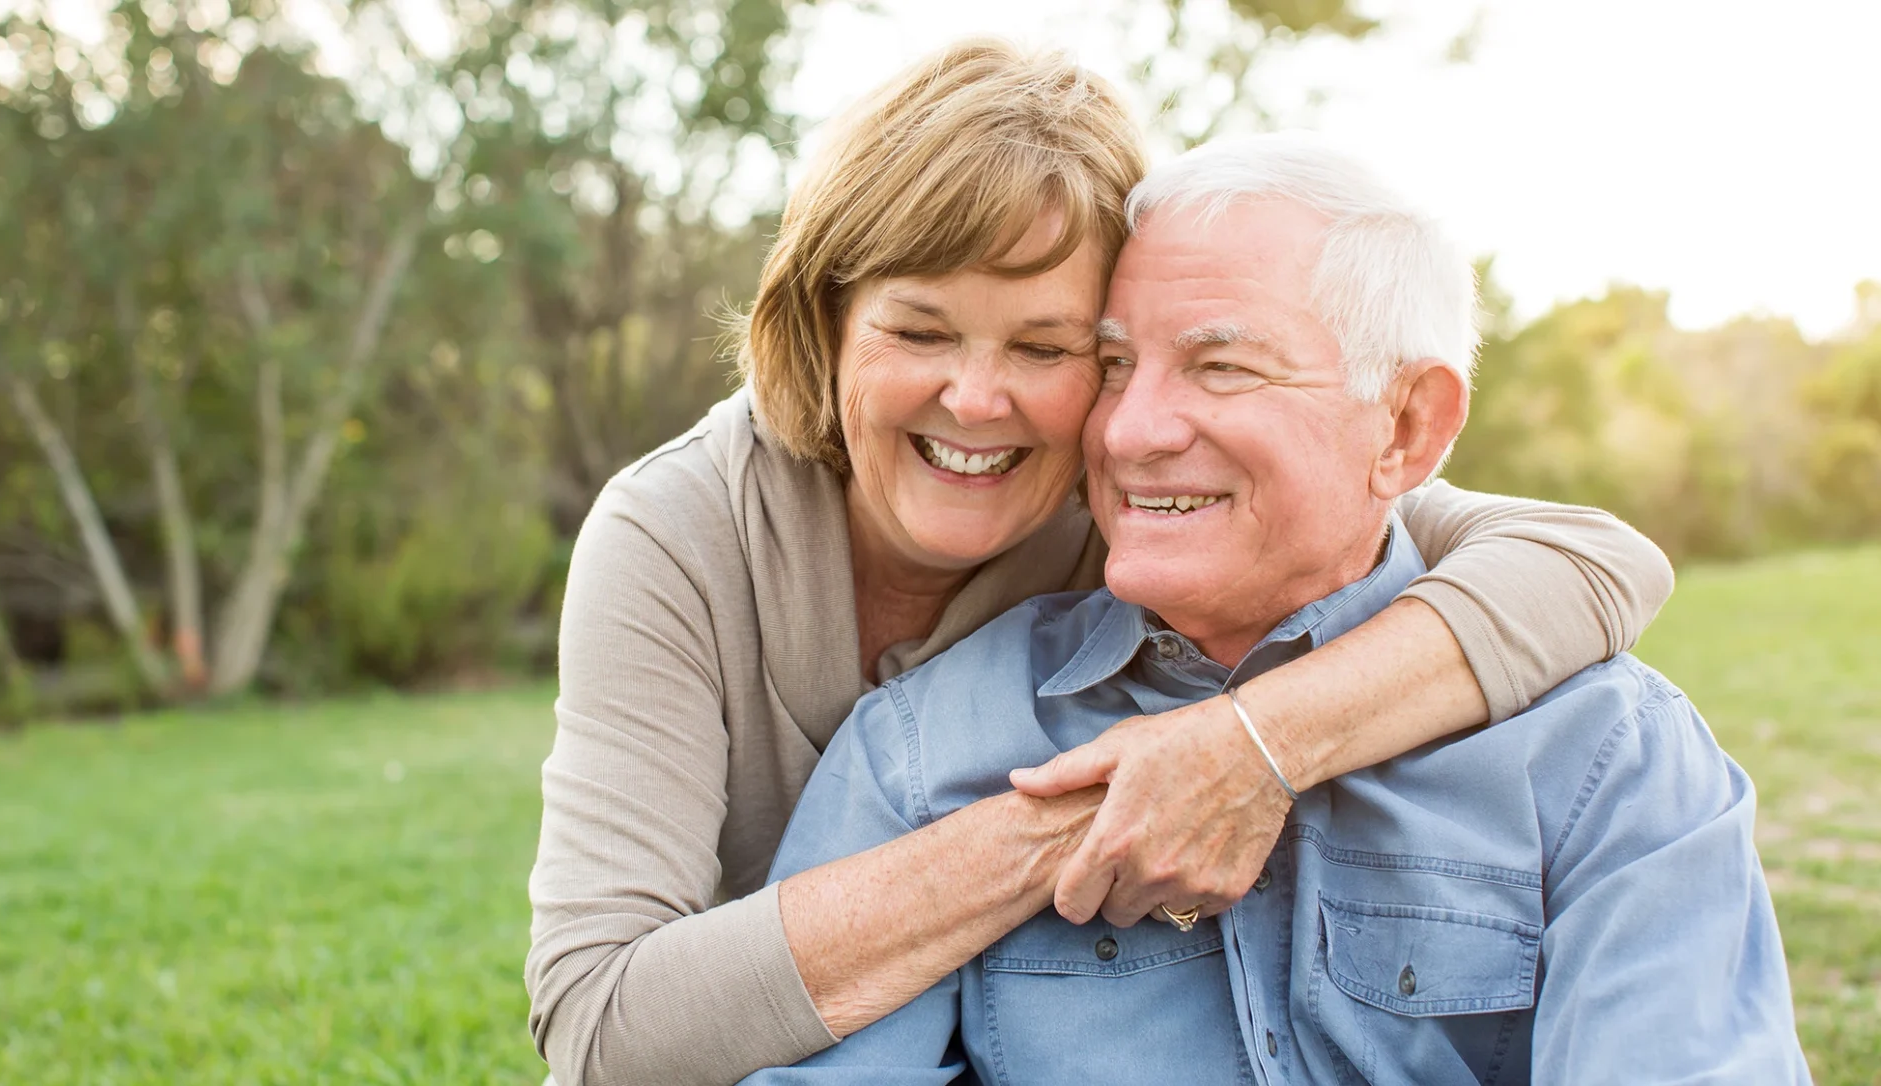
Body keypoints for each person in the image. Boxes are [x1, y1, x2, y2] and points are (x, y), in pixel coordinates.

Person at [527, 42, 1677, 1086]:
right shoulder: (679, 532)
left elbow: (1589, 558)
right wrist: (1091, 815)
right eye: (919, 331)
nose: (977, 401)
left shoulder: (1143, 493)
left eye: (1050, 347)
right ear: (825, 323)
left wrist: (1250, 746)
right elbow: (600, 1028)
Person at [744, 133, 1809, 1085]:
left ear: (1405, 428)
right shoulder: (924, 749)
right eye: (1114, 365)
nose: (1129, 432)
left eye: (1220, 366)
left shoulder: (1604, 759)